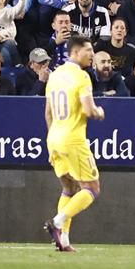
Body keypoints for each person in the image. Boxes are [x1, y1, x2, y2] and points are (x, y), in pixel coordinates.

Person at [44, 35, 104, 252]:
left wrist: (52, 139)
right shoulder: (81, 77)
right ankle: (58, 222)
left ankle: (64, 240)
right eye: (88, 50)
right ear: (76, 52)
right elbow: (89, 110)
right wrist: (99, 111)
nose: (92, 54)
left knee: (69, 188)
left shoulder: (55, 75)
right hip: (73, 137)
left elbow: (48, 112)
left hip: (54, 137)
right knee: (91, 188)